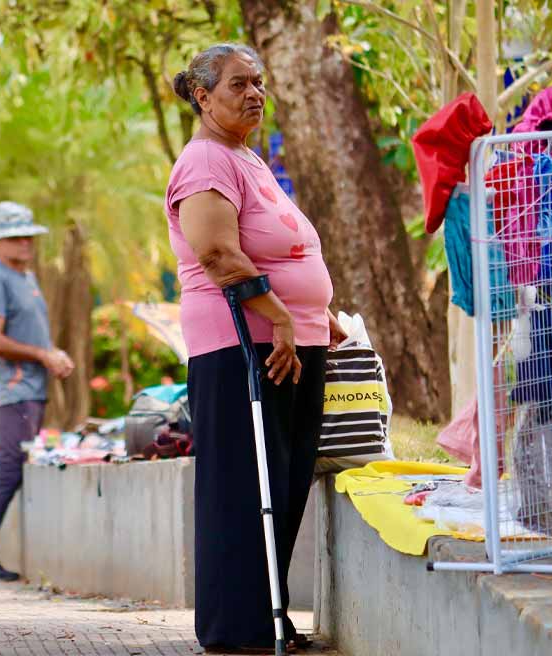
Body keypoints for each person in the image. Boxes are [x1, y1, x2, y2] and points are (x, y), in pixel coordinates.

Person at [166, 45, 346, 652]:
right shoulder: (204, 163)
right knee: (246, 487)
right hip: (242, 346)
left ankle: (269, 617)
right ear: (203, 96)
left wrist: (317, 316)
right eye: (239, 84)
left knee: (285, 483)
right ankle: (235, 629)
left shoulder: (246, 158)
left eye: (258, 83)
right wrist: (281, 315)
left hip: (292, 341)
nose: (254, 94)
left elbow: (281, 250)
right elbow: (217, 254)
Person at [0, 202, 74, 582]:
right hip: (13, 390)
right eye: (14, 237)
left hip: (32, 389)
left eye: (27, 236)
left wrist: (53, 354)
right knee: (7, 466)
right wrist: (42, 355)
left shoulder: (27, 277)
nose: (24, 242)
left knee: (12, 465)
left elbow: (29, 334)